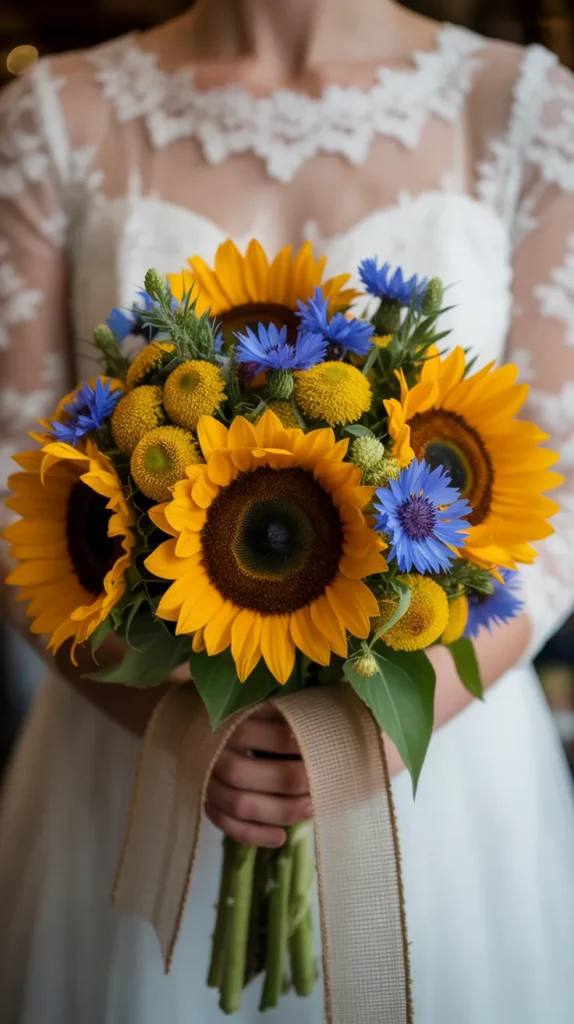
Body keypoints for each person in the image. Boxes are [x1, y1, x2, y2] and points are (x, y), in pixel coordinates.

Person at [1, 0, 574, 1020]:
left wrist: (382, 730)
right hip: (127, 753)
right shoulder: (52, 115)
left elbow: (561, 499)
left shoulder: (525, 109)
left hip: (436, 761)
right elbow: (15, 504)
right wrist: (180, 728)